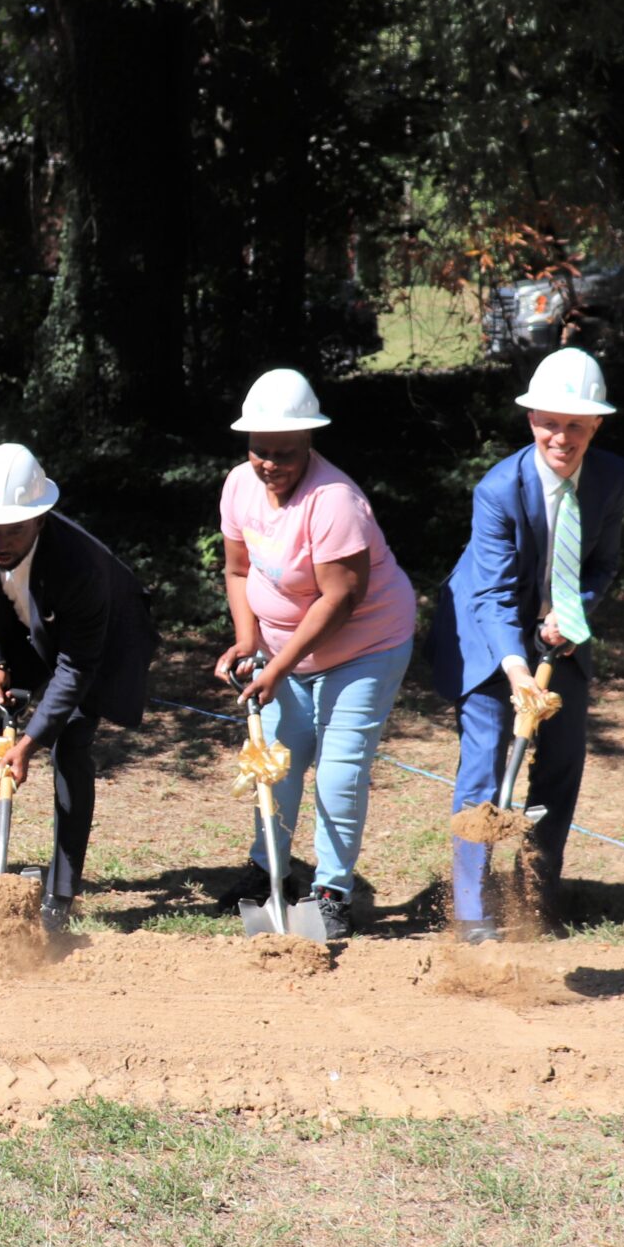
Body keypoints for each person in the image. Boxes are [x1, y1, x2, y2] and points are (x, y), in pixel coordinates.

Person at [427, 345, 624, 935]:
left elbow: (603, 567)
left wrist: (573, 615)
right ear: (530, 420)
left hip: (561, 634)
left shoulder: (610, 477)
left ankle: (537, 895)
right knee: (487, 767)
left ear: (595, 424)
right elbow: (490, 594)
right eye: (549, 423)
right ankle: (470, 909)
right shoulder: (498, 489)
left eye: (575, 424)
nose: (560, 437)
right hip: (488, 633)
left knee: (562, 761)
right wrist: (516, 671)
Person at [210, 369, 418, 940]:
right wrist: (250, 640)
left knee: (339, 770)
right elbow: (237, 569)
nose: (270, 464)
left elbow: (341, 599)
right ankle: (265, 871)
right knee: (274, 763)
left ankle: (330, 893)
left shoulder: (334, 501)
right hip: (282, 646)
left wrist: (278, 666)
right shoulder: (239, 486)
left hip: (365, 646)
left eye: (284, 452)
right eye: (260, 451)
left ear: (309, 444)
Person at [0, 443, 156, 924]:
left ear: (40, 519)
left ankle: (60, 892)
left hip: (98, 642)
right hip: (25, 629)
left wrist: (31, 742)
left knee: (70, 743)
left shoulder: (79, 566)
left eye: (14, 530)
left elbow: (77, 666)